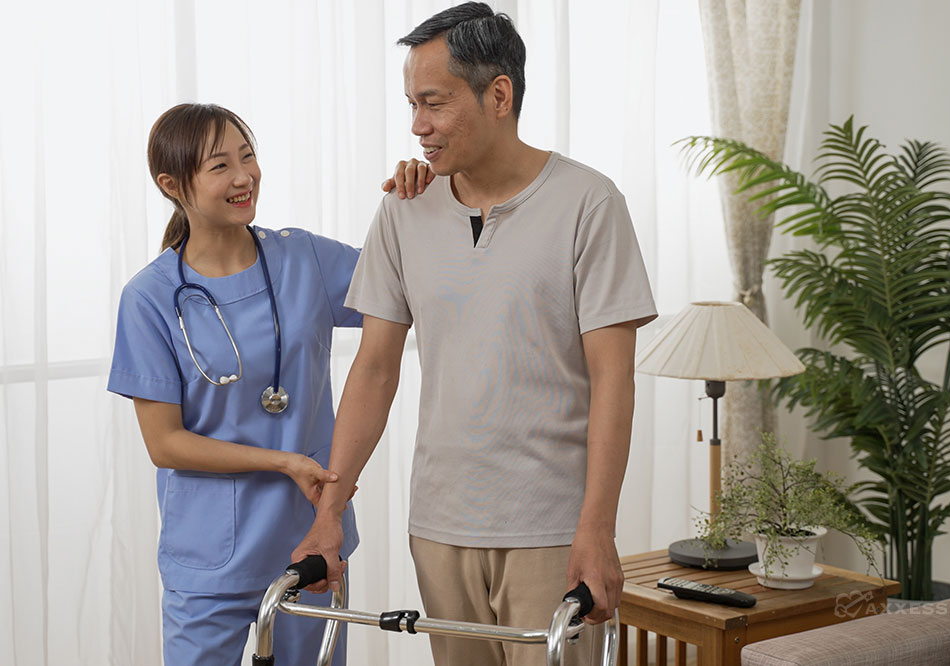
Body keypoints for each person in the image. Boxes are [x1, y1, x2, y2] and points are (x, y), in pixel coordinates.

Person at [292, 4, 658, 665]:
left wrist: (597, 530)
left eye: (433, 102)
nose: (417, 126)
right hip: (438, 527)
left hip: (551, 531)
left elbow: (613, 378)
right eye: (411, 104)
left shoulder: (589, 204)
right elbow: (375, 368)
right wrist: (330, 511)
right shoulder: (404, 211)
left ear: (499, 94)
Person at [107, 102, 430, 666]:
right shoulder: (150, 298)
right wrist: (281, 461)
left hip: (309, 548)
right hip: (210, 565)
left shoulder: (303, 258)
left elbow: (412, 282)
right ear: (171, 184)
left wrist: (422, 202)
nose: (243, 176)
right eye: (218, 166)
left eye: (248, 156)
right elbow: (165, 443)